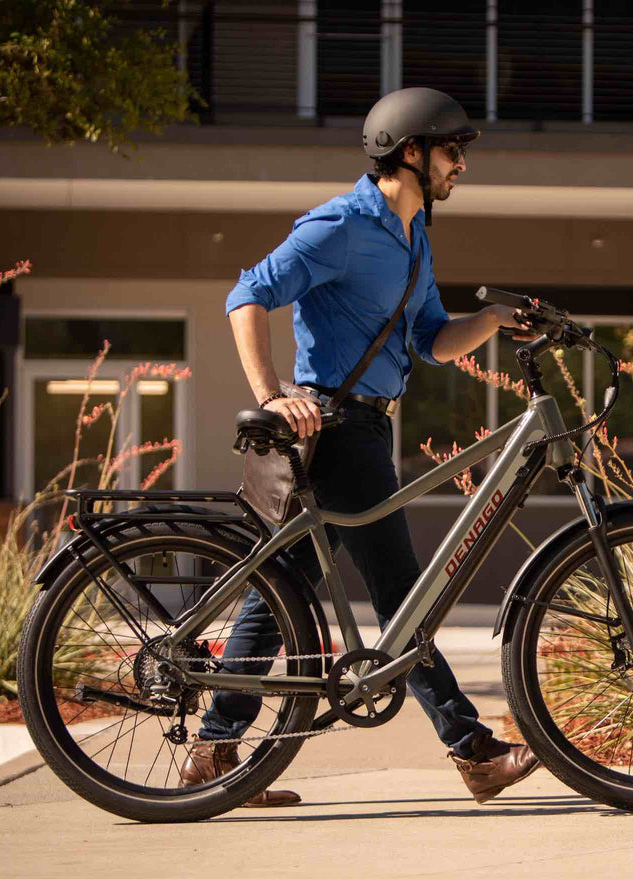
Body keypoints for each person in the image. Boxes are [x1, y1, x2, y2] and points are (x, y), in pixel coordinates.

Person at [180, 87, 540, 806]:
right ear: (411, 152)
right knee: (402, 598)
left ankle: (215, 753)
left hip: (368, 428)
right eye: (452, 150)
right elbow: (246, 295)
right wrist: (274, 392)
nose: (460, 165)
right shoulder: (340, 226)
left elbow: (432, 341)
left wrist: (494, 318)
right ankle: (471, 748)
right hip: (334, 430)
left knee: (280, 593)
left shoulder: (414, 238)